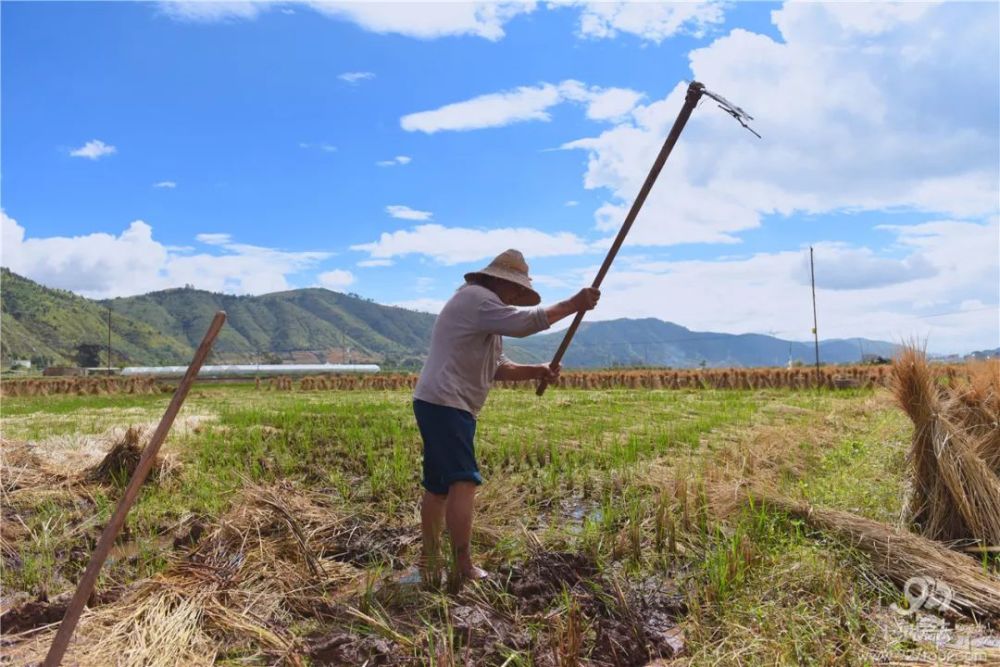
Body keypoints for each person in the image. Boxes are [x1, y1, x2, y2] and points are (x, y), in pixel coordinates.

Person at [412, 249, 600, 586]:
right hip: (446, 402)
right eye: (515, 290)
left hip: (439, 401)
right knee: (463, 481)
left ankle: (429, 563)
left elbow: (498, 367)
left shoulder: (486, 313)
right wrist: (575, 303)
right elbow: (526, 323)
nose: (516, 296)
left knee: (439, 487)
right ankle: (463, 566)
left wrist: (537, 370)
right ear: (500, 281)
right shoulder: (478, 299)